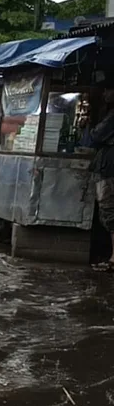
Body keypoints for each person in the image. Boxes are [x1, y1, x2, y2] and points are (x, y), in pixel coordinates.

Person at [87, 81, 114, 271]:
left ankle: (113, 258)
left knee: (109, 212)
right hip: (107, 167)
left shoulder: (111, 117)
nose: (105, 93)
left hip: (109, 169)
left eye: (108, 90)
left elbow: (96, 136)